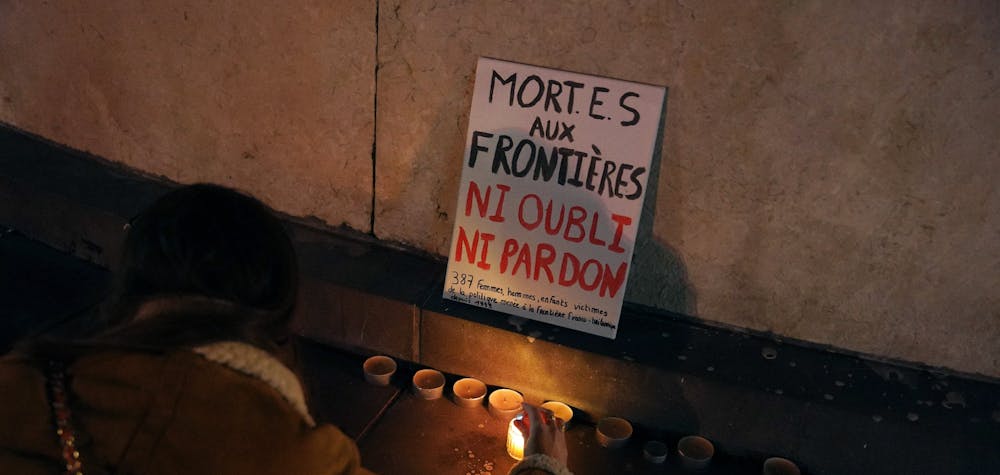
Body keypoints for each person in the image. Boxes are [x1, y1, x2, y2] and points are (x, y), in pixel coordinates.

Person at [0, 183, 569, 475]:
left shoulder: (21, 382)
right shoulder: (284, 454)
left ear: (128, 289)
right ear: (284, 314)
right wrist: (541, 465)